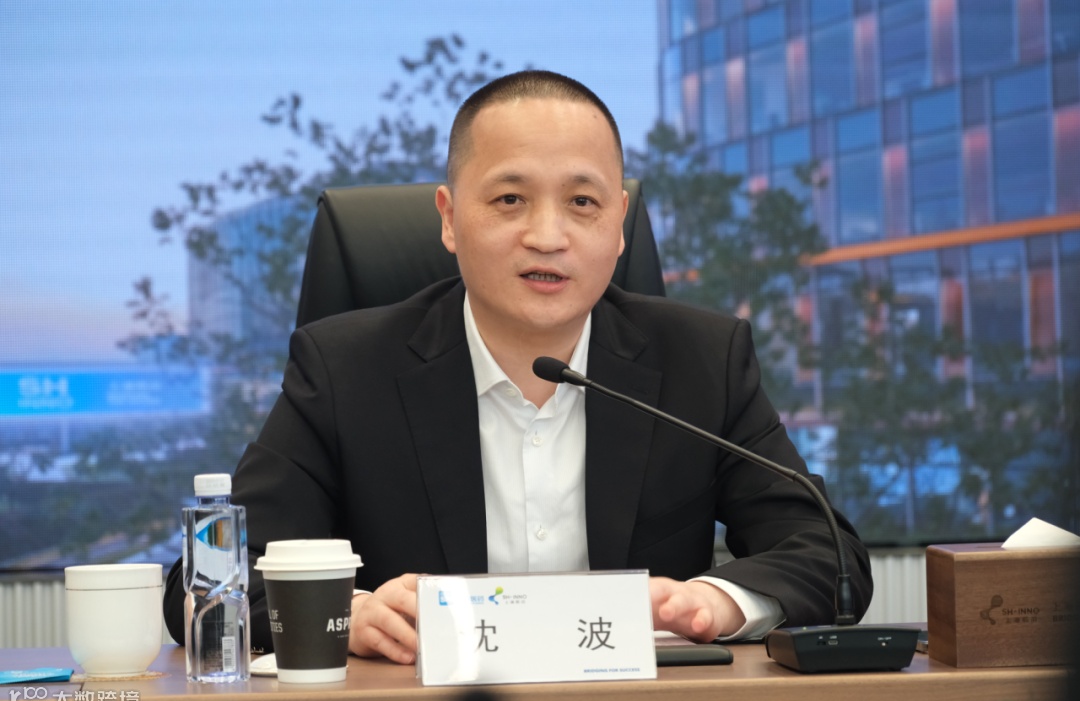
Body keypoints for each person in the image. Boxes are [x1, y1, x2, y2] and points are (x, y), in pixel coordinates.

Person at [163, 70, 873, 664]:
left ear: (619, 224)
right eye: (510, 199)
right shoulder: (345, 370)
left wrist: (712, 602)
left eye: (583, 202)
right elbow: (202, 582)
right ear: (449, 218)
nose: (547, 235)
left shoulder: (701, 360)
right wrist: (343, 613)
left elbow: (828, 554)